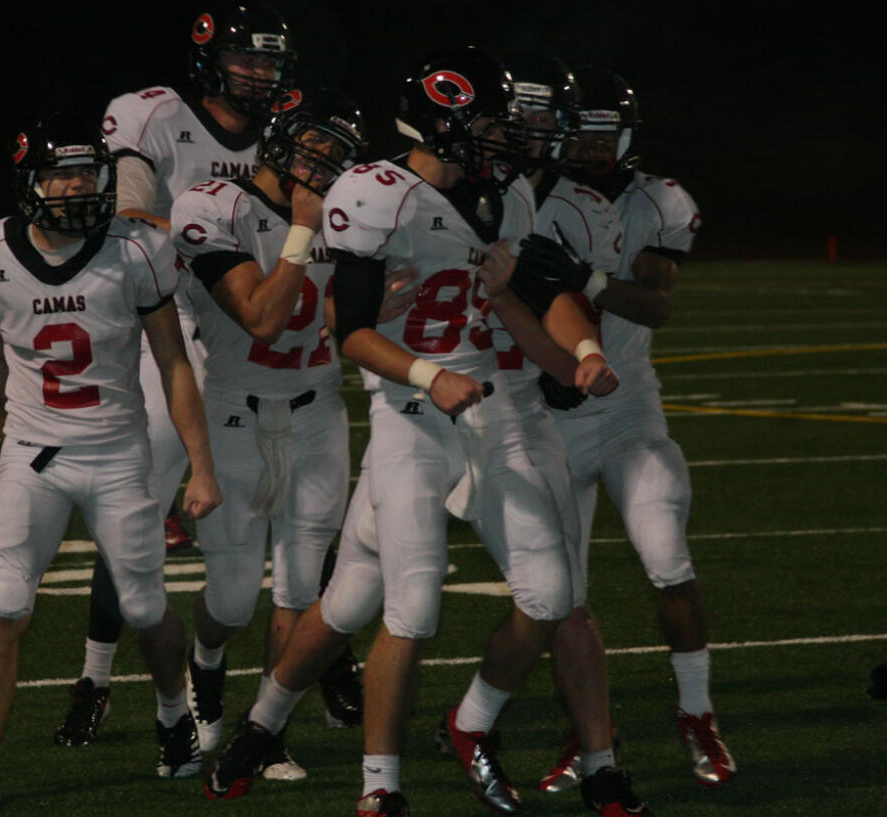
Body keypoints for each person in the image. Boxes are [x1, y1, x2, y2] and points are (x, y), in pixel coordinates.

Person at [203, 46, 631, 817]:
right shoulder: (375, 193)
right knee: (410, 607)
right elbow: (350, 331)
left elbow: (536, 295)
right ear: (445, 119)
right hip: (410, 415)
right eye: (493, 125)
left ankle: (437, 724)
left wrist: (580, 358)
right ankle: (379, 786)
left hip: (492, 410)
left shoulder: (509, 199)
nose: (508, 140)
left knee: (537, 591)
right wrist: (431, 375)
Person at [55, 1, 363, 752]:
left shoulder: (295, 131)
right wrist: (225, 240)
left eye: (270, 61)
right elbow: (130, 217)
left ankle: (324, 662)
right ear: (208, 57)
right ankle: (95, 676)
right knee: (140, 504)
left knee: (309, 504)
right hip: (179, 324)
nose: (260, 73)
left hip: (267, 320)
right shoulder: (152, 116)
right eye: (246, 58)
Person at [0, 115, 221, 807]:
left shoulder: (135, 251)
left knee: (147, 604)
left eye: (85, 171)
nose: (75, 186)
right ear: (30, 181)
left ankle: (172, 716)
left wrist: (201, 466)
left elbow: (173, 362)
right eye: (60, 172)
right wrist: (12, 432)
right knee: (4, 601)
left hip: (118, 451)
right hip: (34, 456)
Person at [170, 86, 368, 781]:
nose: (321, 163)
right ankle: (208, 661)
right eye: (312, 145)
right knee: (229, 598)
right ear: (279, 139)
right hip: (234, 412)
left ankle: (267, 729)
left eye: (335, 155)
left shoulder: (345, 214)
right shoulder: (209, 206)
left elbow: (353, 306)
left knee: (297, 587)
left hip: (317, 411)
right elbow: (259, 316)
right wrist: (305, 231)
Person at [557, 65, 736, 788]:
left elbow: (657, 304)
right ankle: (588, 732)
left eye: (606, 135)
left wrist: (589, 280)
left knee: (668, 558)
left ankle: (697, 711)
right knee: (557, 592)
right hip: (553, 409)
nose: (593, 149)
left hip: (628, 403)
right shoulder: (531, 198)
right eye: (582, 133)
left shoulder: (659, 200)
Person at [487, 54, 630, 798]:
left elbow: (566, 298)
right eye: (526, 117)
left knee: (563, 595)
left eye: (548, 120)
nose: (536, 132)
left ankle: (596, 756)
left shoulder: (582, 207)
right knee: (372, 587)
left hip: (548, 413)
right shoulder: (466, 184)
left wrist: (580, 353)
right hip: (459, 405)